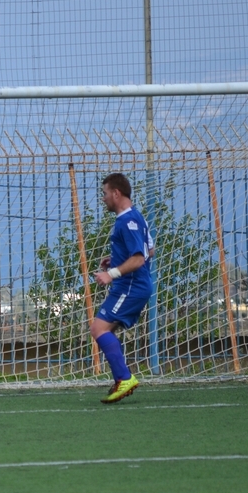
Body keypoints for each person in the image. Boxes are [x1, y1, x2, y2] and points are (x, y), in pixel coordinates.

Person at [91, 173, 154, 404]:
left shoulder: (127, 221)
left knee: (99, 329)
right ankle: (121, 378)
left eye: (105, 193)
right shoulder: (136, 216)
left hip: (130, 286)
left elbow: (138, 259)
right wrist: (116, 259)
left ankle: (124, 378)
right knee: (103, 329)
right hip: (134, 285)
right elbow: (150, 250)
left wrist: (111, 274)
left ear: (116, 193)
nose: (103, 198)